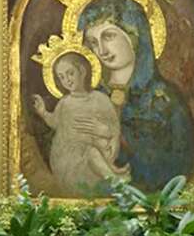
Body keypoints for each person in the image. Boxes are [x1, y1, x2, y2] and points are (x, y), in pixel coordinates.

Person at [79, 0, 194, 192]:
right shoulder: (89, 97)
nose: (101, 50)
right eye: (93, 42)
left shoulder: (165, 99)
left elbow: (182, 163)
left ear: (135, 35)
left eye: (108, 36)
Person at [31, 52, 129, 196]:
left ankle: (112, 172)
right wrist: (43, 112)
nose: (67, 80)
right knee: (92, 152)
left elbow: (113, 129)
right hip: (67, 159)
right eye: (61, 77)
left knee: (94, 149)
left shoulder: (100, 99)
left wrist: (102, 130)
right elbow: (55, 123)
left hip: (94, 153)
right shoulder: (64, 103)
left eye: (70, 73)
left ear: (82, 71)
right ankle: (114, 177)